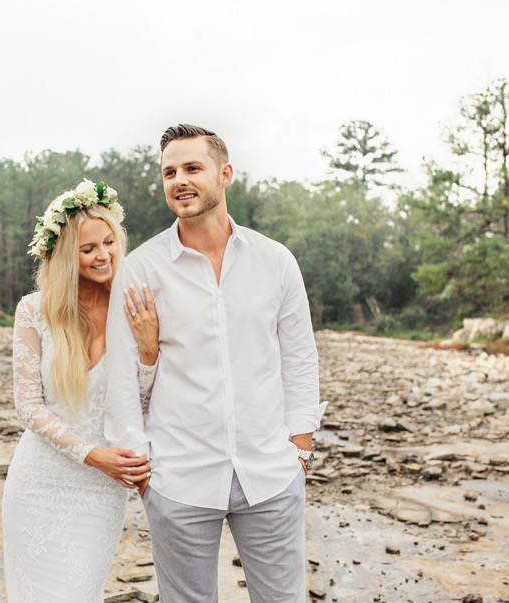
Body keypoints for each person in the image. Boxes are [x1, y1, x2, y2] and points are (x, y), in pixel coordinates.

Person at [105, 125, 326, 602]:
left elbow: (299, 360)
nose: (179, 180)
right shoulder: (141, 270)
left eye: (191, 168)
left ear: (225, 174)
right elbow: (122, 378)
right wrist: (145, 475)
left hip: (270, 473)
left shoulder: (276, 261)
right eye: (169, 172)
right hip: (177, 479)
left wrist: (300, 451)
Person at [2, 179, 160, 602]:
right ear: (64, 255)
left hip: (100, 490)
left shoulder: (136, 306)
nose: (103, 255)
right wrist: (92, 455)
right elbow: (28, 406)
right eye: (88, 249)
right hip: (39, 481)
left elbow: (144, 404)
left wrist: (148, 349)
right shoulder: (34, 310)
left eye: (109, 242)